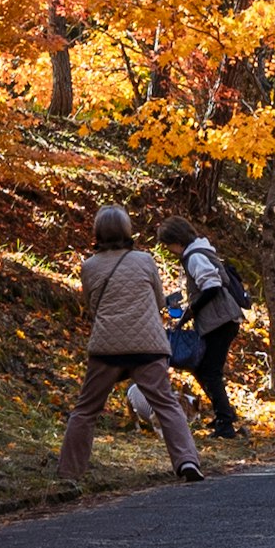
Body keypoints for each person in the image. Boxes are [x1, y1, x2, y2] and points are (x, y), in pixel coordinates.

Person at [60, 205, 205, 487]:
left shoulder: (89, 266)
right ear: (128, 231)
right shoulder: (145, 260)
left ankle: (68, 473)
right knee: (166, 404)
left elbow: (90, 305)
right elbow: (160, 301)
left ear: (97, 232)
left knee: (86, 410)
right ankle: (187, 461)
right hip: (147, 345)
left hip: (107, 347)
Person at [157, 217, 245, 438]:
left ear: (176, 241)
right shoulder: (199, 252)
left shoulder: (195, 257)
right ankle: (224, 413)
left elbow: (212, 286)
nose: (169, 250)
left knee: (209, 371)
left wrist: (191, 311)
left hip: (220, 321)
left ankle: (225, 423)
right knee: (201, 367)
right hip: (221, 320)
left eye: (168, 245)